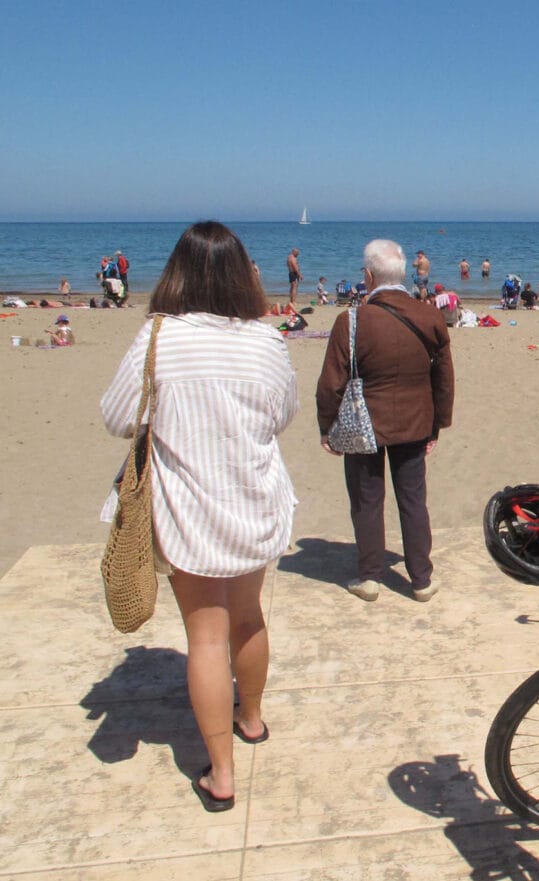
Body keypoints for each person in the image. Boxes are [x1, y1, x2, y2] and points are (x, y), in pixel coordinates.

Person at [100, 221, 298, 812]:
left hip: (188, 507)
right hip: (253, 497)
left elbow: (118, 416)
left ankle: (222, 774)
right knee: (248, 617)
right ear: (242, 275)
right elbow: (283, 414)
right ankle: (252, 719)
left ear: (177, 273)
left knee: (206, 637)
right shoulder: (266, 340)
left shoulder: (160, 335)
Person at [316, 239, 455, 604]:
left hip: (365, 424)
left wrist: (326, 427)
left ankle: (370, 577)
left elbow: (332, 382)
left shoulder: (352, 321)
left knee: (366, 500)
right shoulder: (430, 316)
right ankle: (421, 579)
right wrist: (438, 424)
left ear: (368, 275)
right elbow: (443, 378)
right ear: (403, 274)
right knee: (413, 500)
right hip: (415, 421)